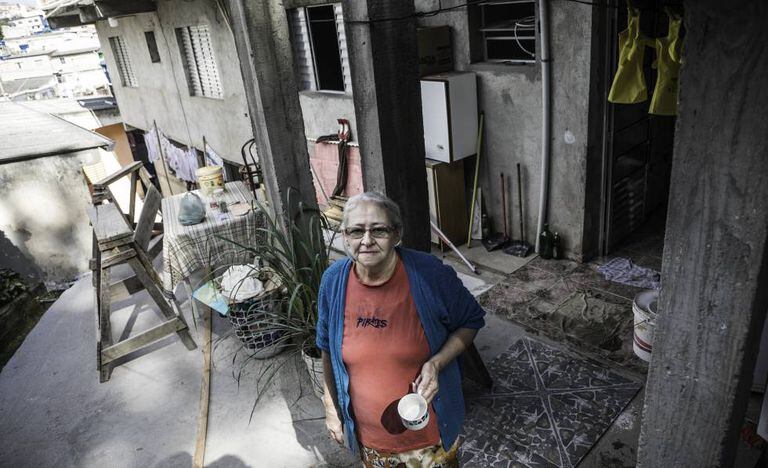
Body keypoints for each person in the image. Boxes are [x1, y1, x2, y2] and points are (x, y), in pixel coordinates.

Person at [316, 192, 486, 467]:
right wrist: (331, 408)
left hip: (429, 440)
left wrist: (437, 363)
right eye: (356, 231)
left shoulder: (430, 274)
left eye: (379, 230)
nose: (367, 240)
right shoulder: (333, 282)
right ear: (345, 237)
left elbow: (471, 320)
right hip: (370, 441)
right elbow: (326, 347)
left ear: (397, 234)